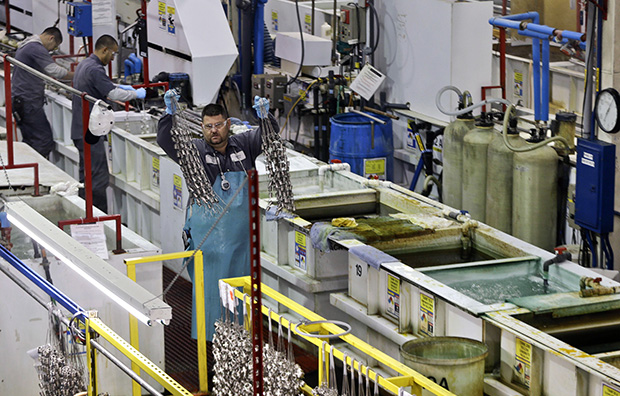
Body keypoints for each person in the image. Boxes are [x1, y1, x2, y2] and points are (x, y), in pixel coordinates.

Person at [157, 92, 277, 341]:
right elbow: (166, 141)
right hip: (208, 242)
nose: (214, 131)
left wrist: (267, 118)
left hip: (241, 242)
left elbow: (269, 137)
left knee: (240, 292)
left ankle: (241, 340)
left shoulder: (244, 145)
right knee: (210, 293)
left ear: (228, 125)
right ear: (202, 128)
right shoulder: (196, 151)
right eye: (209, 126)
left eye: (219, 125)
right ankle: (211, 347)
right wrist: (169, 116)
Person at [71, 34, 146, 213]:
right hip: (90, 133)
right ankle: (97, 220)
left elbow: (103, 86)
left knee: (86, 177)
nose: (112, 58)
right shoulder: (95, 69)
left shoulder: (85, 64)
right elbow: (114, 95)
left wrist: (118, 86)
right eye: (112, 54)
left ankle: (83, 212)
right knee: (97, 179)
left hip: (80, 130)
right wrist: (136, 94)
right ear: (104, 49)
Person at [11, 27, 74, 158]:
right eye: (54, 46)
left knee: (30, 141)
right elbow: (56, 72)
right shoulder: (36, 48)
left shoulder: (26, 44)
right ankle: (35, 173)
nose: (51, 50)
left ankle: (26, 170)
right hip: (28, 102)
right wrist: (78, 75)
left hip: (20, 100)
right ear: (51, 38)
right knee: (43, 141)